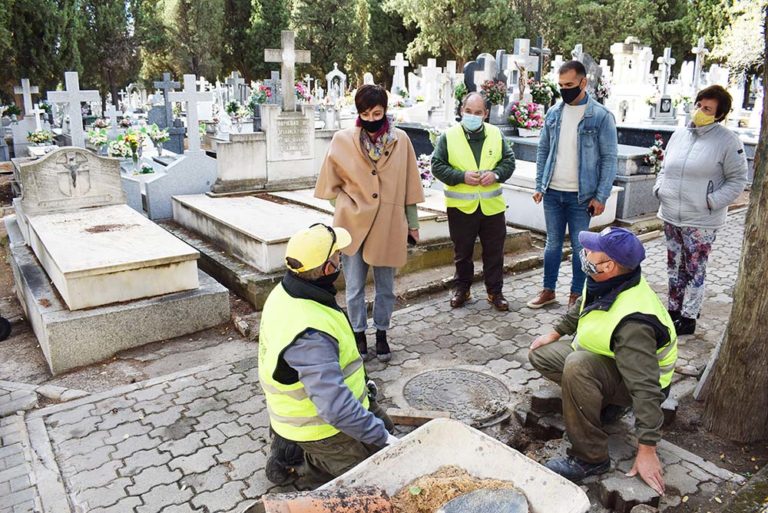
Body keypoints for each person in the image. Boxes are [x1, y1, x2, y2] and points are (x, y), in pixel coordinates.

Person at [528, 227, 677, 496]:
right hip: (613, 363)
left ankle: (591, 458)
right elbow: (583, 306)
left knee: (577, 366)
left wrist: (647, 448)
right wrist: (556, 332)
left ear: (608, 265)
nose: (584, 252)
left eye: (590, 250)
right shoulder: (606, 279)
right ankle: (600, 401)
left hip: (637, 384)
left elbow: (646, 388)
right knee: (541, 354)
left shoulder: (634, 324)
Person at [258, 224, 397, 487]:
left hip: (316, 400)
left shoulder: (288, 290)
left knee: (385, 429)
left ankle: (288, 443)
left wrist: (365, 389)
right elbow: (336, 409)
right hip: (316, 422)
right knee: (367, 474)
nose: (341, 259)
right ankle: (300, 461)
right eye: (337, 256)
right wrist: (381, 438)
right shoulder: (311, 334)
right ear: (326, 269)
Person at [315, 84, 425, 362]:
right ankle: (358, 334)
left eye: (377, 113)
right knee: (353, 287)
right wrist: (345, 207)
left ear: (385, 111)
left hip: (389, 224)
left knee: (386, 287)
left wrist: (413, 225)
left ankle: (382, 333)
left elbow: (410, 186)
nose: (371, 120)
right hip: (352, 226)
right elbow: (330, 185)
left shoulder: (401, 140)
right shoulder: (342, 140)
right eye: (365, 114)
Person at [654, 85, 747, 335]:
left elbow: (738, 180)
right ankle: (673, 310)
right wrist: (660, 189)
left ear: (719, 115)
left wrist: (711, 201)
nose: (700, 111)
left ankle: (689, 317)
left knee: (695, 269)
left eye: (707, 109)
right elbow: (665, 168)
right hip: (671, 214)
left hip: (701, 220)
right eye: (699, 105)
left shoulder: (727, 141)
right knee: (674, 267)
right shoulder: (679, 135)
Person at [528, 60, 618, 310]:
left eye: (569, 85)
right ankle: (548, 290)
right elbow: (543, 150)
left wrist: (601, 196)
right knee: (552, 244)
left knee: (581, 247)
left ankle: (576, 296)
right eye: (561, 85)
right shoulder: (553, 113)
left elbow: (610, 158)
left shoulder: (600, 116)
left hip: (582, 196)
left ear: (583, 82)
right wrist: (539, 185)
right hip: (553, 192)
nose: (564, 90)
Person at [431, 92, 516, 311]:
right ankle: (462, 289)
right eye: (468, 111)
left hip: (492, 207)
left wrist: (496, 174)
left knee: (494, 253)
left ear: (485, 114)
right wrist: (461, 176)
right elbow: (437, 165)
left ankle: (495, 292)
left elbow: (509, 161)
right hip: (461, 207)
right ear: (461, 110)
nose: (472, 116)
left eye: (478, 112)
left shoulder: (495, 134)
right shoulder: (449, 136)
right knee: (462, 253)